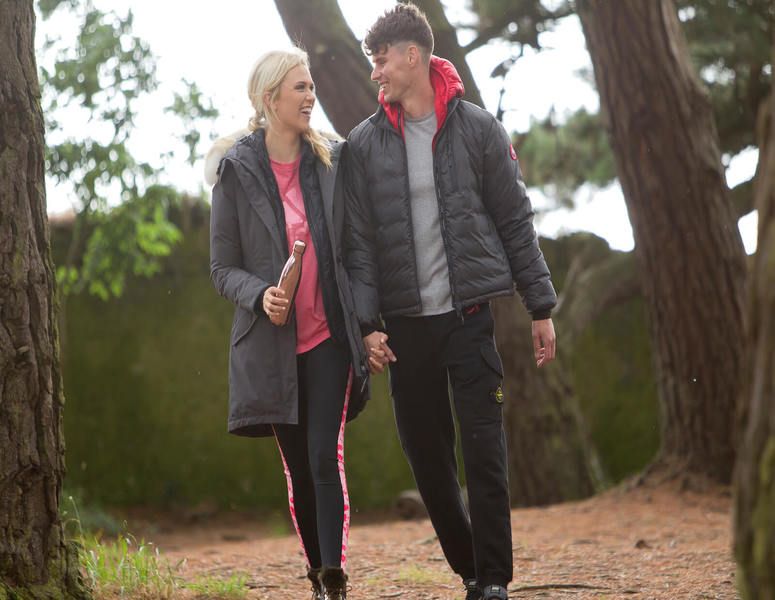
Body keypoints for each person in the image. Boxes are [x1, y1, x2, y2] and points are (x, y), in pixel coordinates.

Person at [343, 4, 557, 600]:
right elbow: (358, 245)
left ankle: (493, 582)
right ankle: (470, 567)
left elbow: (516, 220)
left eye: (381, 60)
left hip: (468, 321)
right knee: (429, 461)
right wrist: (366, 325)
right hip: (407, 331)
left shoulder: (477, 129)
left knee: (485, 453)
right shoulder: (364, 145)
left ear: (412, 56)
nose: (375, 73)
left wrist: (540, 307)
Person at [206, 48, 368, 600]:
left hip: (330, 336)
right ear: (269, 98)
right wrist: (262, 294)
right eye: (299, 88)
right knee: (299, 469)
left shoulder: (332, 161)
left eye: (311, 86)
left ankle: (334, 579)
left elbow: (355, 250)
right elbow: (221, 267)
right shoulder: (235, 170)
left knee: (325, 455)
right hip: (271, 345)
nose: (310, 96)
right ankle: (316, 570)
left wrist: (368, 321)